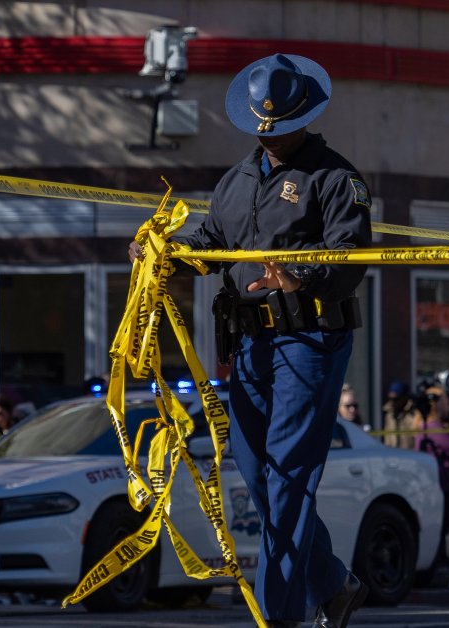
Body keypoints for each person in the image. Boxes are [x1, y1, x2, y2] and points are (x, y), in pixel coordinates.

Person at [135, 53, 371, 627]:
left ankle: (278, 617)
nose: (273, 137)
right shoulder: (235, 181)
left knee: (288, 479)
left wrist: (299, 274)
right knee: (260, 479)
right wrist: (168, 257)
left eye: (283, 126)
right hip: (247, 345)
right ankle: (333, 584)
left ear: (303, 116)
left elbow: (350, 259)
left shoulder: (337, 178)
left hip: (308, 341)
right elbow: (213, 241)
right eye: (265, 128)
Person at [414, 385, 449, 555]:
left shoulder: (424, 424)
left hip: (440, 484)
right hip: (443, 484)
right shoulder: (432, 426)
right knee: (444, 526)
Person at [382, 381, 420, 449]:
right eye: (390, 399)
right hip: (394, 455)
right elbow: (387, 438)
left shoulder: (414, 414)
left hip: (410, 455)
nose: (392, 402)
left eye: (396, 399)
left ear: (405, 397)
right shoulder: (389, 415)